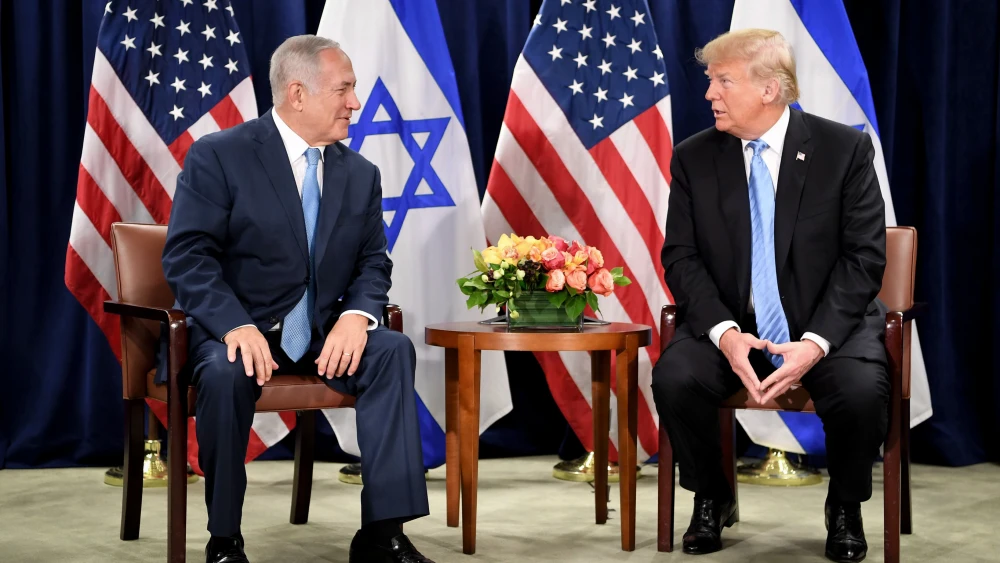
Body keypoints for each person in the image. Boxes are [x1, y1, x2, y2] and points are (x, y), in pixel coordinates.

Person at [162, 35, 434, 563]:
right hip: (238, 332)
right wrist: (233, 325)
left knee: (392, 351)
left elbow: (373, 262)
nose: (355, 102)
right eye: (344, 89)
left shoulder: (360, 174)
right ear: (297, 94)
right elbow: (188, 257)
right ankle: (224, 540)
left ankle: (382, 533)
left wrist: (358, 316)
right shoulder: (221, 155)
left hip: (325, 333)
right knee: (223, 372)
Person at [651, 29, 888, 563]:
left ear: (769, 89)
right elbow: (681, 257)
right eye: (711, 81)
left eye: (722, 81)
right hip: (733, 325)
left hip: (826, 326)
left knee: (859, 390)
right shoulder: (694, 157)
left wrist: (815, 342)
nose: (709, 93)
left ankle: (844, 506)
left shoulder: (842, 149)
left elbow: (864, 257)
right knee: (675, 377)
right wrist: (725, 334)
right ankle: (712, 494)